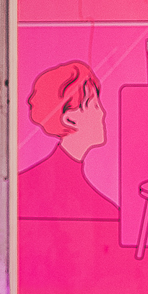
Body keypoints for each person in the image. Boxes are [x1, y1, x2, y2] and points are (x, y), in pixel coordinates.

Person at [18, 60, 120, 220]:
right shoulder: (105, 212)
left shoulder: (21, 185)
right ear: (70, 119)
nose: (102, 113)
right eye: (94, 105)